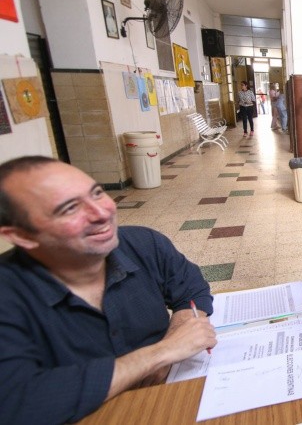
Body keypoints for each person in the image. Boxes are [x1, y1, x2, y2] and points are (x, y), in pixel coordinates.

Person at [0, 156, 217, 424]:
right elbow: (17, 402)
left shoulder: (143, 243)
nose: (102, 213)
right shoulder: (9, 294)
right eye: (69, 208)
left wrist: (183, 326)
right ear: (22, 236)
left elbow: (191, 289)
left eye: (97, 193)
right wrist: (161, 353)